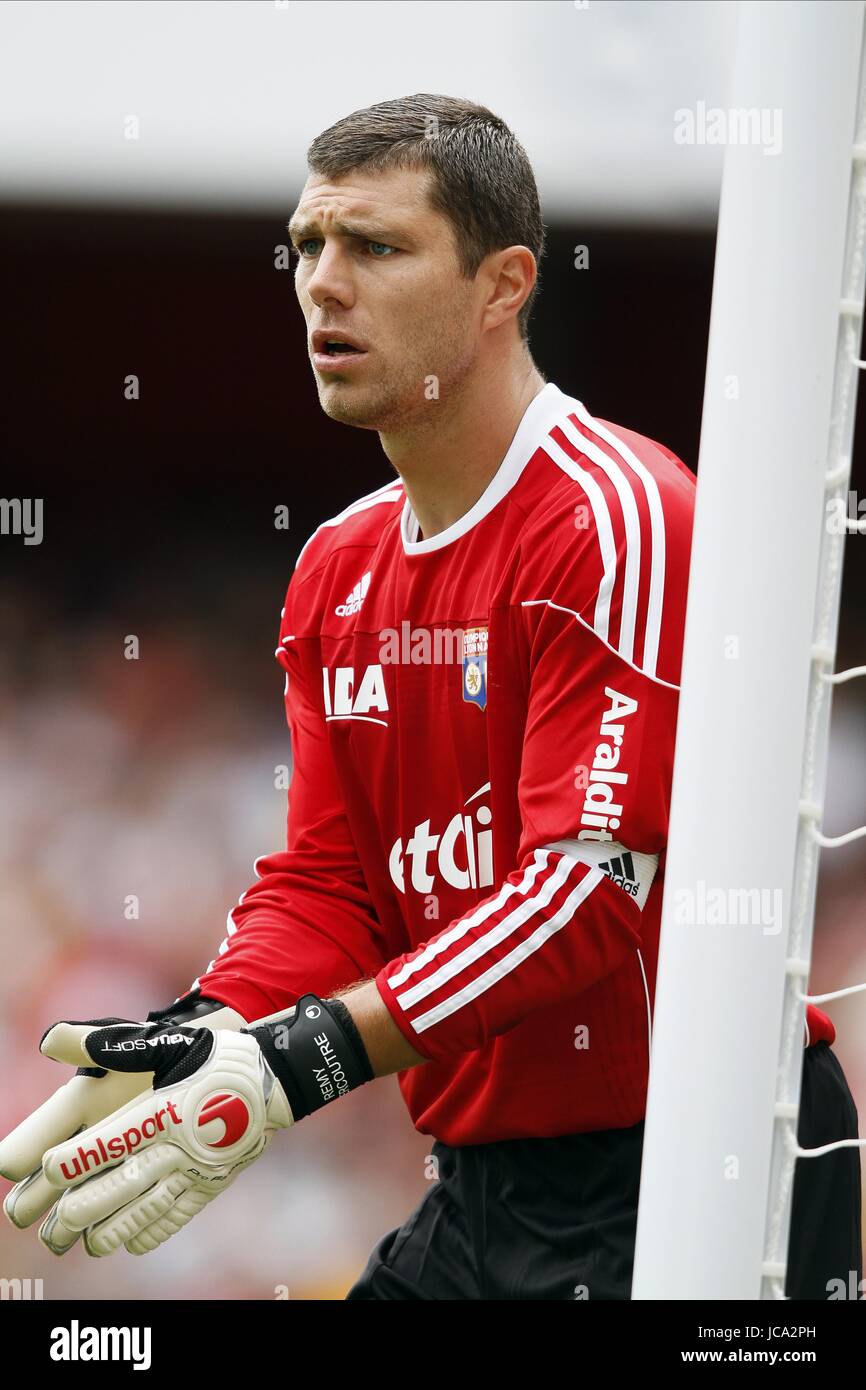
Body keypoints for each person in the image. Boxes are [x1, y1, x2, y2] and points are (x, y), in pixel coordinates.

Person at [0, 94, 860, 1300]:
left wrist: (297, 1061)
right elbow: (331, 882)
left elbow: (585, 895)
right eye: (307, 246)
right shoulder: (336, 565)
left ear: (504, 284)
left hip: (693, 1165)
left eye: (376, 247)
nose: (322, 285)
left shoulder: (616, 515)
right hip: (479, 1186)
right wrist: (212, 1029)